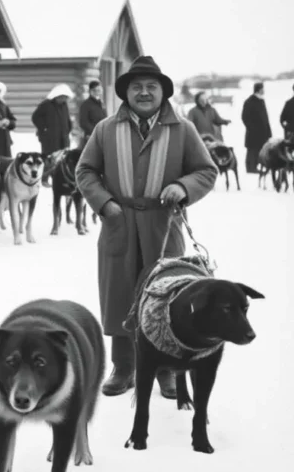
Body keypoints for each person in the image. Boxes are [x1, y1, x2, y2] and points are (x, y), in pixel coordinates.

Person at [76, 56, 217, 399]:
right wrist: (106, 205)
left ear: (162, 92)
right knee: (120, 295)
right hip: (118, 225)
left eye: (150, 87)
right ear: (126, 93)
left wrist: (183, 187)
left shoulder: (182, 129)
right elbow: (85, 171)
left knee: (165, 297)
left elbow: (206, 171)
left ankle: (166, 369)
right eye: (136, 87)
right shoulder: (106, 128)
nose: (143, 93)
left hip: (163, 225)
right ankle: (123, 366)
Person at [32, 83, 74, 186]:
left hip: (63, 137)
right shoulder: (46, 105)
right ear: (57, 96)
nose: (64, 99)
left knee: (62, 158)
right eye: (62, 97)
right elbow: (35, 117)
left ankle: (60, 178)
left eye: (65, 97)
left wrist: (69, 128)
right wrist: (44, 129)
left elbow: (67, 118)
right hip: (49, 138)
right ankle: (45, 178)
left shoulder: (64, 105)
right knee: (48, 158)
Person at [241, 82, 273, 173]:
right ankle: (250, 168)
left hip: (263, 132)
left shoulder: (261, 100)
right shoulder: (249, 101)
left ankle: (259, 167)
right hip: (253, 133)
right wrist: (252, 129)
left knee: (261, 149)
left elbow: (265, 118)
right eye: (263, 88)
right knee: (252, 150)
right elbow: (244, 117)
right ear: (259, 89)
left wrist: (268, 131)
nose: (264, 90)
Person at [78, 80, 107, 144]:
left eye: (99, 90)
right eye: (95, 90)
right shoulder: (85, 105)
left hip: (102, 136)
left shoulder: (101, 104)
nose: (97, 92)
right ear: (90, 91)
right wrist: (95, 131)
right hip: (91, 137)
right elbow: (83, 122)